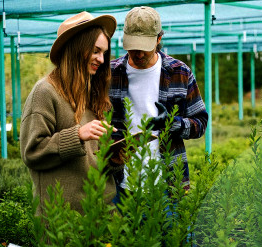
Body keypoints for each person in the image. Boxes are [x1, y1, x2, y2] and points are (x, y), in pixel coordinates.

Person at [20, 11, 118, 215]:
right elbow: (32, 152)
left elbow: (93, 160)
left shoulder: (94, 95)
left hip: (101, 215)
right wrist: (77, 135)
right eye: (95, 51)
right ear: (77, 47)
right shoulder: (45, 92)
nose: (101, 59)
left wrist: (115, 158)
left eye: (104, 53)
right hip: (63, 221)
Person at [109, 6, 208, 198]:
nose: (138, 54)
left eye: (144, 48)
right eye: (133, 47)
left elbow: (201, 124)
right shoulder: (110, 73)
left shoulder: (180, 73)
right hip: (119, 184)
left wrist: (173, 123)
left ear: (159, 39)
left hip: (167, 184)